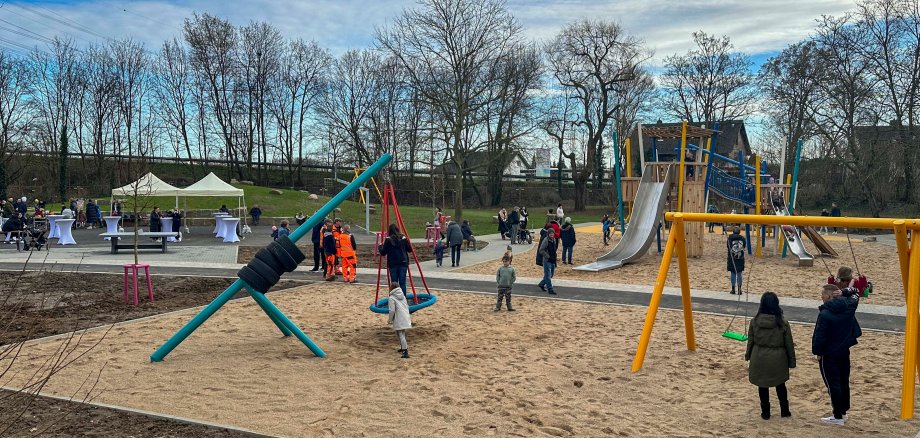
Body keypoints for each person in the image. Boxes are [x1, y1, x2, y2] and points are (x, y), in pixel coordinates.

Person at [813, 284, 862, 426]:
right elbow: (856, 291)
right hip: (844, 350)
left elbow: (820, 336)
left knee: (833, 384)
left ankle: (838, 415)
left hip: (829, 353)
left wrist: (818, 352)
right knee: (843, 381)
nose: (821, 297)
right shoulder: (849, 306)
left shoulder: (825, 314)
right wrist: (845, 291)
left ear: (829, 296)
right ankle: (843, 411)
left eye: (823, 294)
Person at [745, 292, 795, 420]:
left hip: (759, 356)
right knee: (780, 384)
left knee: (762, 385)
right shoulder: (783, 322)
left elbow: (750, 340)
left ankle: (765, 412)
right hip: (778, 358)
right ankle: (785, 410)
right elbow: (789, 343)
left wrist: (748, 355)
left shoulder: (755, 321)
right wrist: (791, 361)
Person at [387, 282, 412, 359]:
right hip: (405, 316)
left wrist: (390, 319)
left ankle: (405, 351)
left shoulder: (391, 298)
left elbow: (392, 310)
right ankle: (403, 347)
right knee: (400, 333)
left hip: (399, 317)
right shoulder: (403, 296)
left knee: (401, 334)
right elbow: (406, 305)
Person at [537, 224, 558, 295]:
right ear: (548, 234)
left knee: (551, 274)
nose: (552, 235)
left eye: (553, 233)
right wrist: (547, 256)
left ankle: (541, 284)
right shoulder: (545, 240)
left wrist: (555, 256)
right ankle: (550, 289)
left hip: (552, 259)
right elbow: (541, 250)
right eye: (550, 234)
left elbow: (554, 249)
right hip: (547, 260)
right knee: (548, 275)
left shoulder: (554, 239)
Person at [727, 226, 746, 294]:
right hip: (740, 258)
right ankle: (739, 289)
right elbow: (744, 246)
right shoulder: (743, 239)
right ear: (739, 232)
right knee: (739, 273)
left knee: (733, 273)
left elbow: (728, 247)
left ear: (733, 231)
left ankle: (733, 289)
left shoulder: (730, 238)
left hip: (732, 258)